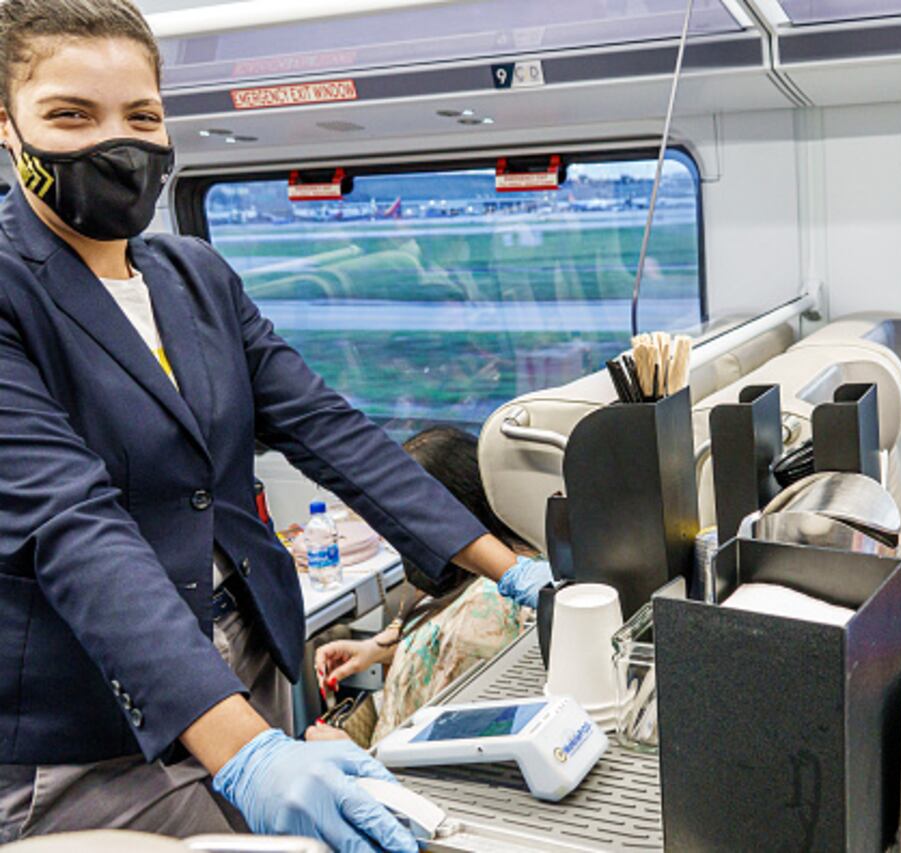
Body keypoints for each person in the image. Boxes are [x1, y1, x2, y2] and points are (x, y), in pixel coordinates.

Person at [0, 2, 553, 850]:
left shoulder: (196, 277)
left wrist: (512, 573)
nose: (118, 142)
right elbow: (73, 526)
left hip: (241, 655)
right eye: (72, 115)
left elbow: (333, 430)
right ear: (9, 126)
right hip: (92, 713)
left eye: (142, 115)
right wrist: (250, 755)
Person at [307, 427, 532, 746]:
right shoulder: (496, 567)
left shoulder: (481, 613)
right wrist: (375, 650)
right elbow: (441, 643)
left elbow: (439, 752)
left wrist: (344, 750)